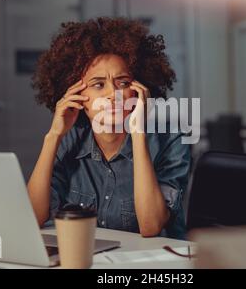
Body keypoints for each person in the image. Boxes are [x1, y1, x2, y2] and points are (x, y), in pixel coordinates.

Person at [27, 17, 191, 239]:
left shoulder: (171, 140)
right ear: (78, 96)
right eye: (98, 85)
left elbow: (151, 226)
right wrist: (53, 135)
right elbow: (32, 218)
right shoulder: (70, 139)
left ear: (138, 90)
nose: (112, 95)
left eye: (122, 83)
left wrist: (138, 132)